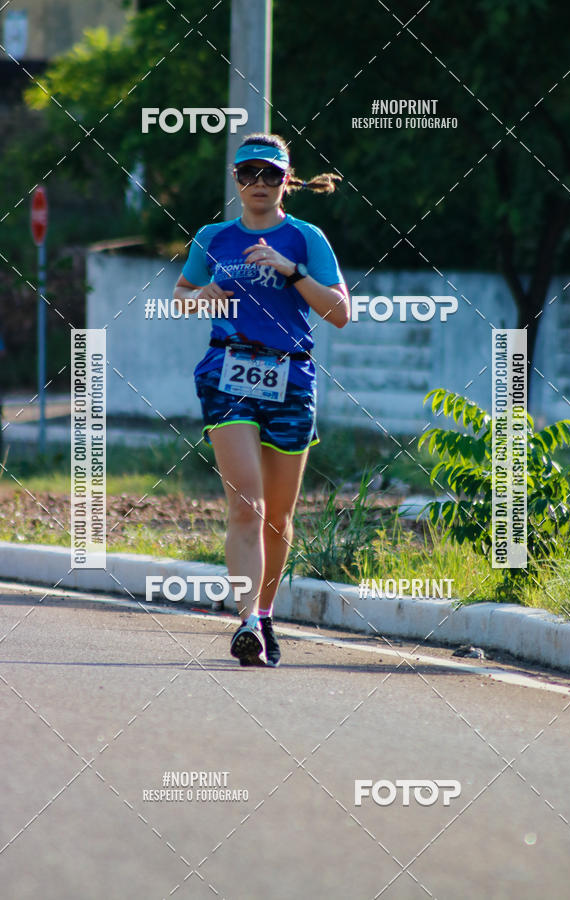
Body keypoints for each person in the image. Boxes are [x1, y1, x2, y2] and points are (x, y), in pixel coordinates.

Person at [174, 133, 349, 667]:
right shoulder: (213, 237)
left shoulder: (305, 237)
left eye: (270, 174)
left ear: (286, 181)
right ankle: (246, 619)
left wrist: (290, 270)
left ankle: (267, 616)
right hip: (227, 372)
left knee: (278, 517)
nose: (258, 184)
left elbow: (340, 312)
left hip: (291, 376)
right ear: (236, 180)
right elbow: (179, 301)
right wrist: (197, 297)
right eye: (248, 174)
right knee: (246, 505)